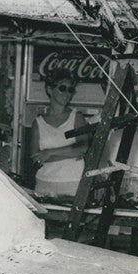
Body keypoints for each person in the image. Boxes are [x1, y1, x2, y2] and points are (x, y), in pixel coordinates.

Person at [30, 68, 89, 198]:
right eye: (62, 88)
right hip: (44, 181)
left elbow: (83, 148)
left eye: (70, 89)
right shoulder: (38, 122)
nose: (67, 93)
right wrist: (71, 153)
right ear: (50, 90)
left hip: (73, 181)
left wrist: (49, 153)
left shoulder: (77, 117)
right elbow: (35, 159)